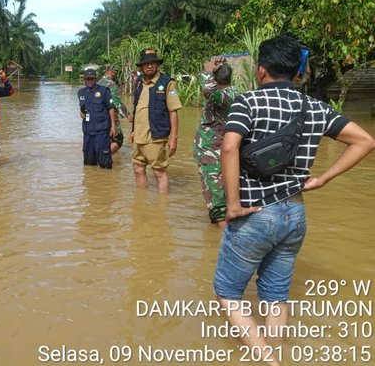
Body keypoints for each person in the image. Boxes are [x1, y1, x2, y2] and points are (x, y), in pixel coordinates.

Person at [213, 35, 375, 365]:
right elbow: (364, 141)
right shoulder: (315, 108)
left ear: (260, 70)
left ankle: (268, 361)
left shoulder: (248, 103)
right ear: (296, 72)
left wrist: (232, 205)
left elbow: (228, 148)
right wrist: (323, 178)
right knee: (275, 295)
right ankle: (278, 355)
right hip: (295, 214)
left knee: (228, 294)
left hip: (255, 213)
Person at [129, 49, 182, 192]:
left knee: (159, 171)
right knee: (138, 168)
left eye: (152, 63)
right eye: (146, 64)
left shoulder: (167, 83)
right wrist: (133, 131)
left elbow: (173, 110)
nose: (149, 66)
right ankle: (142, 203)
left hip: (156, 136)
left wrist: (173, 138)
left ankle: (162, 208)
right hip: (139, 136)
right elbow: (137, 108)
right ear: (141, 66)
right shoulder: (139, 83)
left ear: (157, 64)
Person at [193, 58, 237, 227]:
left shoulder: (223, 96)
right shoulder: (232, 93)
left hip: (213, 155)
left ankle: (222, 242)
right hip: (214, 153)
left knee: (218, 206)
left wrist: (206, 71)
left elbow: (207, 90)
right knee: (219, 201)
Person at [78, 68, 117, 168]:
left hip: (102, 131)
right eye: (88, 79)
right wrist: (82, 113)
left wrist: (113, 126)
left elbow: (111, 108)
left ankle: (107, 181)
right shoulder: (81, 93)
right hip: (88, 132)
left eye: (92, 79)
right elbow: (82, 113)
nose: (90, 81)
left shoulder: (104, 91)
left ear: (96, 79)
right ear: (85, 80)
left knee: (105, 163)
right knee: (89, 164)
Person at [97, 66, 132, 154]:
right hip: (110, 116)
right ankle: (105, 155)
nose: (115, 75)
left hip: (98, 117)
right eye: (115, 73)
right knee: (118, 140)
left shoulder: (97, 83)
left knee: (104, 138)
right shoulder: (112, 84)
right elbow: (116, 101)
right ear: (111, 72)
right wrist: (127, 114)